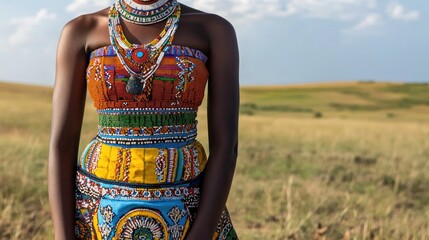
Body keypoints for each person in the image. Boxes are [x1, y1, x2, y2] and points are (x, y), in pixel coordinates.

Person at [48, 0, 239, 239]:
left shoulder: (212, 29)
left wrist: (201, 234)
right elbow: (61, 143)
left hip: (188, 215)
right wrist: (63, 236)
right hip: (99, 214)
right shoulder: (81, 30)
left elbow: (227, 146)